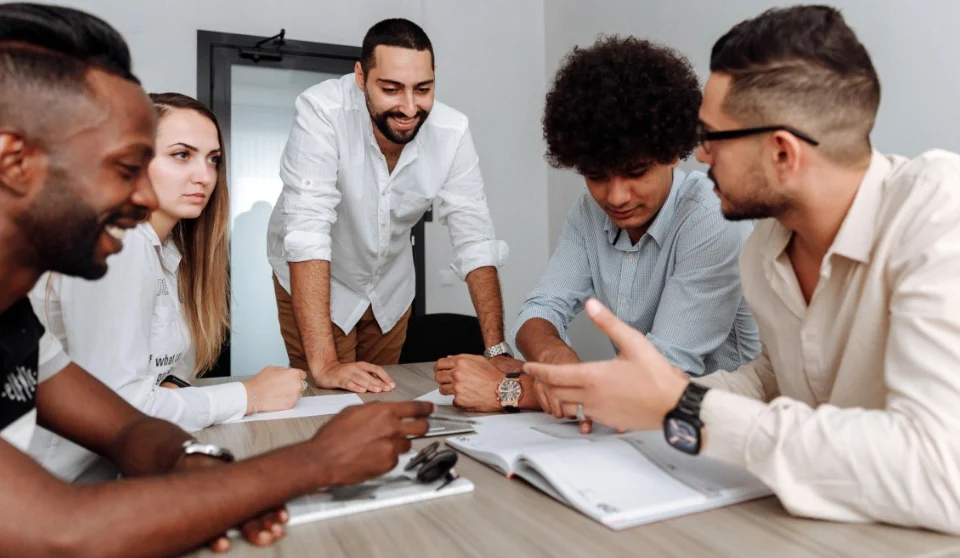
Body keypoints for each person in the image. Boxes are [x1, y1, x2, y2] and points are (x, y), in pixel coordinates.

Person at [0, 4, 432, 556]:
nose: (141, 201)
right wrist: (308, 463)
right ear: (16, 163)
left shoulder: (14, 319)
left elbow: (126, 429)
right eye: (123, 168)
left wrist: (213, 483)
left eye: (211, 161)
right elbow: (62, 533)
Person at [525, 5, 960, 535]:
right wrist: (657, 400)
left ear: (782, 153)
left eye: (712, 138)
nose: (700, 156)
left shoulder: (940, 218)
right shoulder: (766, 246)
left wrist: (679, 407)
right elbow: (776, 381)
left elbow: (943, 473)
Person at [435, 36, 759, 416]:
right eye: (596, 175)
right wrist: (559, 362)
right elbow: (538, 312)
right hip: (631, 428)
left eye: (635, 172)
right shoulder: (589, 212)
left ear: (673, 153)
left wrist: (511, 391)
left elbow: (661, 370)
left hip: (719, 428)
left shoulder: (711, 217)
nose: (616, 197)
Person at [27, 92, 306, 481]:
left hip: (122, 470)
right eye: (181, 155)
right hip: (59, 486)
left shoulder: (167, 250)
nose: (205, 176)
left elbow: (161, 376)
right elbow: (122, 405)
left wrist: (174, 388)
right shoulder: (118, 245)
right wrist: (250, 396)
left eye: (213, 160)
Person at [267, 18, 513, 395]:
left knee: (382, 398)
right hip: (318, 280)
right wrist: (326, 365)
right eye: (391, 89)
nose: (410, 107)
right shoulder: (322, 112)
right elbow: (307, 234)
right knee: (329, 399)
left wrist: (496, 350)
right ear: (361, 77)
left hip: (390, 288)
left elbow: (474, 238)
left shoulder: (452, 132)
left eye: (423, 89)